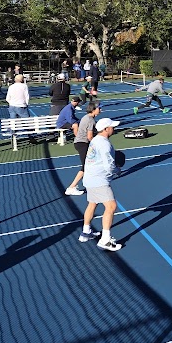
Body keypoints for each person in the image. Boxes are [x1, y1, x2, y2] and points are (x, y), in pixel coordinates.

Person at [81, 117, 123, 251]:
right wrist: (117, 171)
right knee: (111, 206)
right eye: (112, 127)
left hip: (89, 178)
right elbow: (108, 165)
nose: (114, 128)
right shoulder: (105, 144)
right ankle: (105, 240)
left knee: (92, 203)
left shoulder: (95, 140)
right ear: (106, 129)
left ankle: (86, 232)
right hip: (99, 180)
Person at [65, 100, 101, 196]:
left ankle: (91, 182)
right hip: (82, 143)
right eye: (99, 108)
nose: (100, 110)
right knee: (86, 166)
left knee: (90, 164)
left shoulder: (86, 117)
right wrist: (98, 144)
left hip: (80, 143)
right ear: (93, 109)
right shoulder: (90, 120)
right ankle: (71, 187)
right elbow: (89, 137)